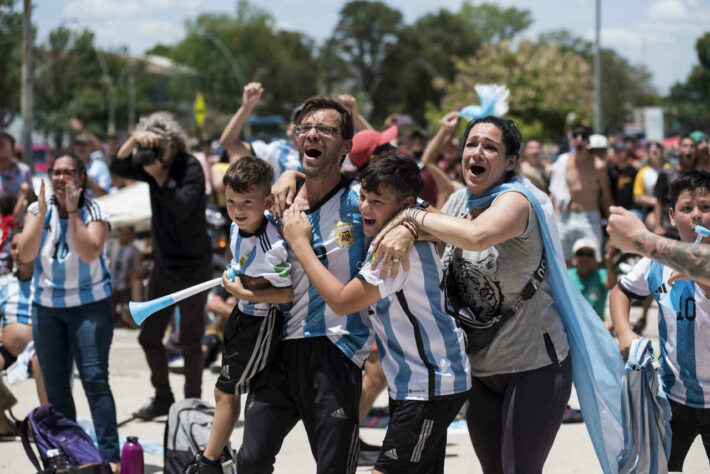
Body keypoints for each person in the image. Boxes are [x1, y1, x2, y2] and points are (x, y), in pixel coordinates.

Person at [373, 116, 572, 473]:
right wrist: (408, 224)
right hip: (479, 368)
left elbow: (475, 236)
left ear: (510, 161)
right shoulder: (457, 202)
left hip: (533, 366)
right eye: (471, 144)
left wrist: (413, 220)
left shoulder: (516, 202)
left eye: (490, 147)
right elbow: (429, 221)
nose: (477, 152)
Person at [282, 153, 470, 473]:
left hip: (430, 384)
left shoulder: (393, 252)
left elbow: (342, 301)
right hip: (419, 382)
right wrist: (290, 174)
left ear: (405, 202)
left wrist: (300, 244)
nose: (365, 208)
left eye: (376, 201)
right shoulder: (401, 220)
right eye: (364, 198)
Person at [235, 97, 377, 473]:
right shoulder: (279, 204)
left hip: (336, 350)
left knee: (333, 468)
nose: (312, 133)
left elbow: (414, 205)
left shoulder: (358, 201)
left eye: (326, 129)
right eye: (305, 128)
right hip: (278, 350)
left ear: (346, 146)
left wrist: (409, 226)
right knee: (250, 461)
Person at [189, 157, 293, 474]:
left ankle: (209, 462)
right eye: (232, 201)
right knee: (227, 391)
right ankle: (216, 454)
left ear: (267, 201)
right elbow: (241, 262)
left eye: (247, 202)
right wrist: (233, 277)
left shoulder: (272, 245)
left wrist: (244, 294)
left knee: (225, 391)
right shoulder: (235, 228)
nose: (237, 209)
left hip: (259, 324)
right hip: (240, 315)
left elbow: (287, 293)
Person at [16, 152, 120, 464]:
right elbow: (25, 254)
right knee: (56, 386)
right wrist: (41, 214)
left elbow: (89, 253)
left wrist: (72, 212)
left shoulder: (95, 209)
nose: (62, 178)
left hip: (90, 306)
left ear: (81, 177)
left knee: (94, 381)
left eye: (68, 172)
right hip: (47, 308)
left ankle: (110, 457)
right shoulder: (37, 209)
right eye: (56, 172)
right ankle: (72, 455)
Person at [111, 111, 211, 419]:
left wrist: (158, 177)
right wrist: (134, 141)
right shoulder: (151, 162)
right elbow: (117, 165)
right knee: (149, 336)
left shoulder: (190, 166)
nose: (156, 153)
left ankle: (191, 403)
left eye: (160, 146)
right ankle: (164, 397)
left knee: (190, 341)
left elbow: (183, 206)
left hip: (194, 266)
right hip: (165, 266)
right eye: (151, 146)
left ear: (174, 143)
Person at [610, 171, 710, 471]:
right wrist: (625, 333)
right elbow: (620, 292)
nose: (696, 216)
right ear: (671, 215)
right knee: (661, 467)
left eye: (706, 207)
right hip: (673, 398)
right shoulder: (656, 263)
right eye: (686, 208)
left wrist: (697, 274)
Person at [0, 233, 47, 438]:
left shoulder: (45, 283)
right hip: (7, 350)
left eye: (21, 247)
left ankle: (48, 424)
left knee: (41, 364)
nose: (16, 252)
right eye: (13, 247)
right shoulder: (4, 284)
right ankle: (2, 423)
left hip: (38, 348)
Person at [549, 126, 613, 264]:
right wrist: (554, 218)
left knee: (592, 260)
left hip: (589, 217)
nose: (579, 140)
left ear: (588, 142)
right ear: (571, 141)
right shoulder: (563, 162)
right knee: (562, 262)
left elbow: (606, 198)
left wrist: (612, 224)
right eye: (575, 136)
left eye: (583, 137)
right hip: (566, 217)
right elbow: (554, 194)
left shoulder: (598, 166)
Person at [219, 82, 302, 182]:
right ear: (289, 129)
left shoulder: (324, 157)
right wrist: (246, 108)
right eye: (299, 122)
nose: (303, 127)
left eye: (309, 122)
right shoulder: (276, 150)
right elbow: (228, 143)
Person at [653, 135, 697, 239]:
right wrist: (658, 226)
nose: (689, 149)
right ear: (678, 150)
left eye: (692, 146)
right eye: (685, 146)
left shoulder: (699, 176)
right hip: (670, 229)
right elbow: (659, 202)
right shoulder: (666, 174)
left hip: (692, 230)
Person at [566, 238, 616, 328]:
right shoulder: (566, 275)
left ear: (595, 259)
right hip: (573, 326)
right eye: (580, 254)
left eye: (589, 255)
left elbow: (611, 285)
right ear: (574, 258)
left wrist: (608, 259)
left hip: (596, 327)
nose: (585, 258)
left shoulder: (601, 275)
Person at [633, 141, 666, 228]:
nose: (655, 151)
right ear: (648, 154)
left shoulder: (669, 169)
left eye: (658, 148)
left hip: (670, 206)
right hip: (651, 209)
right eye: (651, 149)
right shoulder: (643, 172)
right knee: (652, 222)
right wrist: (657, 202)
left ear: (662, 152)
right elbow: (638, 197)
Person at [72, 132, 112, 197]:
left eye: (84, 144)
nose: (81, 147)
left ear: (91, 146)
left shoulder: (100, 166)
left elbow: (105, 194)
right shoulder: (69, 167)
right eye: (78, 144)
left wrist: (87, 179)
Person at [0, 132, 32, 199]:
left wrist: (25, 193)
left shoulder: (23, 171)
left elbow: (30, 199)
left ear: (12, 150)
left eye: (2, 145)